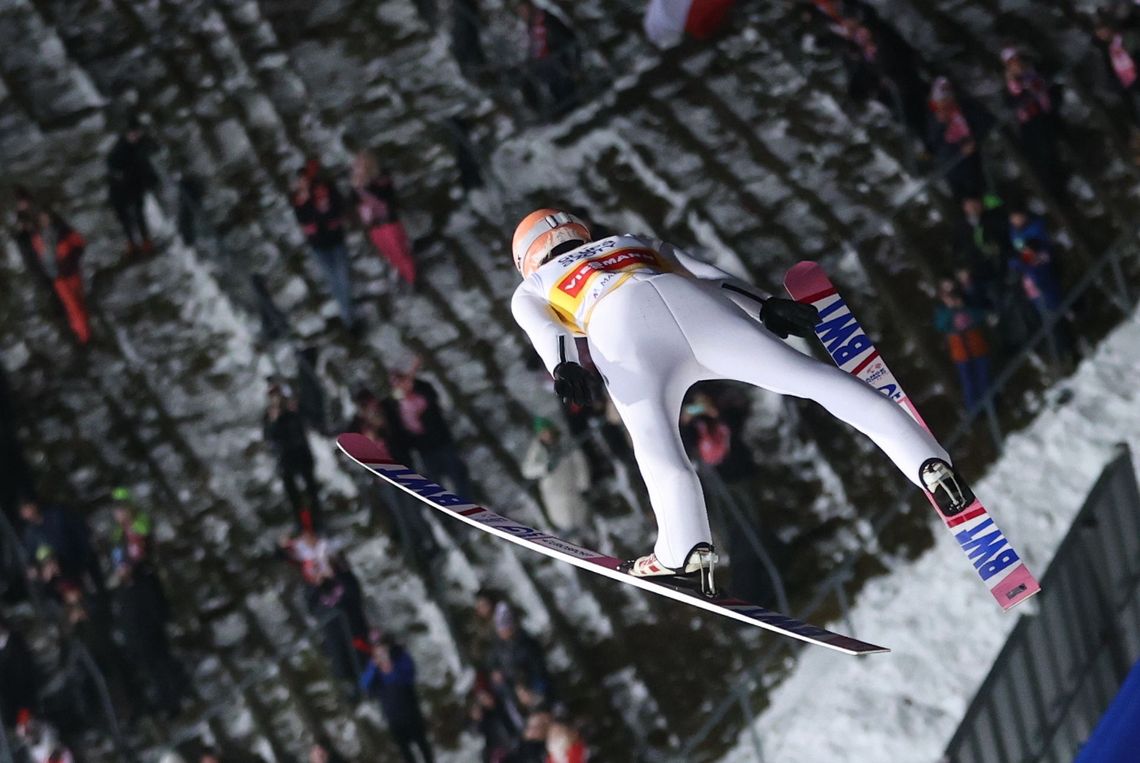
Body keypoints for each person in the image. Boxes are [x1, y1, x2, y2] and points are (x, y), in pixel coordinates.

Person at [509, 209, 963, 588]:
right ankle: (928, 461)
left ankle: (685, 547)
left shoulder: (532, 286)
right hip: (692, 303)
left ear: (528, 258)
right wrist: (767, 304)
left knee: (656, 444)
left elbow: (545, 329)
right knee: (814, 380)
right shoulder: (630, 240)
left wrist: (563, 366)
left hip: (621, 328)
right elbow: (709, 276)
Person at [291, 165, 356, 329]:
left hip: (335, 241)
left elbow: (335, 209)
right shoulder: (299, 199)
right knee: (334, 281)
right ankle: (348, 318)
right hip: (318, 246)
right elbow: (304, 220)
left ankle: (348, 316)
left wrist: (323, 219)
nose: (303, 183)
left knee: (343, 278)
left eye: (305, 180)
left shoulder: (325, 190)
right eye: (300, 181)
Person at [1001, 47, 1065, 199]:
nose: (1016, 65)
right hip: (1030, 124)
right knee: (1041, 157)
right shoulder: (1011, 86)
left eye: (1017, 60)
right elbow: (1012, 103)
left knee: (1052, 152)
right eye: (1012, 62)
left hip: (1046, 116)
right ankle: (1051, 190)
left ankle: (1060, 183)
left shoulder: (1036, 72)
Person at [359, 635, 434, 763]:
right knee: (404, 749)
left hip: (410, 710)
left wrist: (392, 669)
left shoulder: (400, 657)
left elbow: (409, 676)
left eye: (383, 650)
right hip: (393, 716)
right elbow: (365, 685)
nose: (381, 654)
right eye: (378, 652)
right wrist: (373, 667)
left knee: (422, 742)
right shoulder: (374, 668)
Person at [350, 151, 416, 289]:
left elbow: (386, 195)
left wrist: (366, 185)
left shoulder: (381, 177)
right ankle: (402, 278)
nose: (360, 167)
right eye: (358, 165)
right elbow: (354, 202)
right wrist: (357, 188)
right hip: (373, 224)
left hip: (388, 220)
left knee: (399, 250)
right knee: (388, 252)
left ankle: (412, 279)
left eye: (362, 164)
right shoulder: (357, 183)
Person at [264, 380, 322, 530]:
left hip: (302, 454)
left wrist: (297, 410)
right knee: (295, 497)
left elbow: (310, 420)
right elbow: (269, 438)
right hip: (285, 460)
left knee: (311, 491)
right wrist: (273, 421)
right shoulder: (269, 416)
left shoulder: (294, 409)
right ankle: (304, 525)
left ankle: (318, 521)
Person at [520, 417, 591, 537]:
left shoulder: (565, 443)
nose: (546, 435)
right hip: (553, 493)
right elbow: (527, 470)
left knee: (581, 517)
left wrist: (583, 484)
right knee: (563, 521)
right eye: (542, 433)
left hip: (571, 485)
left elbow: (580, 464)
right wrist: (544, 468)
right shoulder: (537, 450)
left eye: (547, 431)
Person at [926, 77, 992, 202]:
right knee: (967, 199)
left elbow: (986, 121)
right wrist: (941, 124)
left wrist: (974, 141)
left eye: (948, 97)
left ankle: (995, 209)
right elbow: (934, 144)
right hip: (953, 167)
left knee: (986, 194)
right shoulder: (934, 119)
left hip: (974, 161)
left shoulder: (965, 107)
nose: (946, 103)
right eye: (942, 100)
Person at [934, 278, 992, 413]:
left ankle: (991, 406)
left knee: (984, 378)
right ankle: (975, 411)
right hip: (960, 352)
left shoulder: (966, 301)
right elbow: (941, 326)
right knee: (968, 383)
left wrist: (962, 306)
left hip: (977, 346)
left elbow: (980, 315)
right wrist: (950, 309)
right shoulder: (941, 310)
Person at [106, 114, 159, 256]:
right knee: (125, 219)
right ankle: (132, 244)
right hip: (120, 189)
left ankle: (146, 242)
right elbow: (112, 166)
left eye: (137, 133)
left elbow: (151, 155)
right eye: (132, 133)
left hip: (136, 186)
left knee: (139, 213)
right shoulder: (119, 149)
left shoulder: (142, 145)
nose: (135, 136)